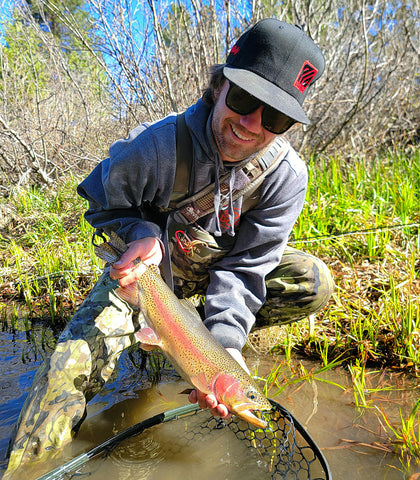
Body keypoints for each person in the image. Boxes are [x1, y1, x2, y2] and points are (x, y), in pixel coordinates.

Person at [4, 18, 334, 479]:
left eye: (275, 118)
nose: (251, 125)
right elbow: (99, 203)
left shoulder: (286, 177)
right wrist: (141, 234)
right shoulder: (156, 144)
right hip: (142, 274)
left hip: (212, 269)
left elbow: (248, 267)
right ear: (218, 87)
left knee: (312, 279)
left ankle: (190, 339)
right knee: (63, 378)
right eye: (242, 100)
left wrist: (225, 346)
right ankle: (26, 471)